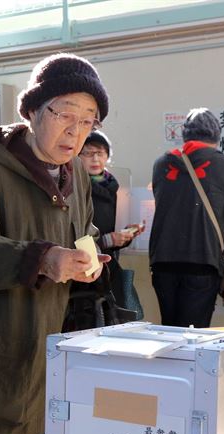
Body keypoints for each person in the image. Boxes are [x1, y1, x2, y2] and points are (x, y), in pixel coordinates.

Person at [0, 53, 111, 434]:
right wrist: (43, 259)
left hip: (51, 362)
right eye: (65, 115)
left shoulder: (77, 177)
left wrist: (87, 258)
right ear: (33, 110)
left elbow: (84, 229)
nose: (76, 132)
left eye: (88, 121)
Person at [149, 108, 224, 328]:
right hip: (203, 259)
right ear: (217, 136)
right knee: (194, 335)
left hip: (163, 261)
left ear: (184, 134)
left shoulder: (161, 163)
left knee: (170, 329)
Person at [64, 131, 144, 331]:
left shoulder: (114, 187)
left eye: (100, 153)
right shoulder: (72, 187)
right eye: (88, 153)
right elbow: (71, 234)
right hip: (82, 272)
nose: (95, 159)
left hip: (108, 269)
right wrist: (108, 240)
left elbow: (112, 229)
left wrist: (126, 235)